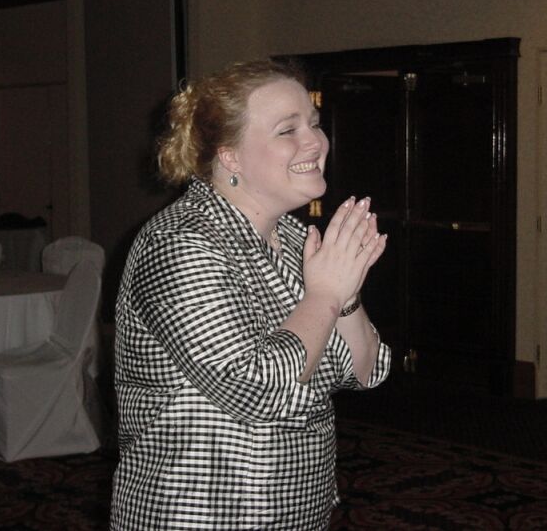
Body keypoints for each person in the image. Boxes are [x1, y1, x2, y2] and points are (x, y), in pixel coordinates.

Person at [109, 59, 391, 530]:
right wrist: (324, 296)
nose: (316, 142)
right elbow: (257, 389)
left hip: (294, 510)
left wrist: (345, 296)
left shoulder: (297, 239)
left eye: (314, 123)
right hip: (199, 513)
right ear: (230, 156)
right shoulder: (178, 244)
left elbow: (364, 371)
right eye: (288, 130)